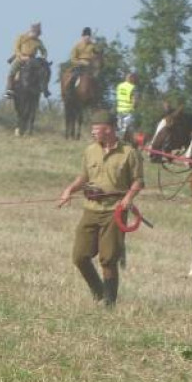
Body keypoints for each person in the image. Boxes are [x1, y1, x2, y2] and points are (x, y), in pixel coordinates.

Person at [57, 109, 144, 308]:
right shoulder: (90, 151)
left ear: (110, 129)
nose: (93, 132)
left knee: (108, 259)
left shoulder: (129, 153)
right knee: (79, 256)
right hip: (91, 209)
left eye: (97, 129)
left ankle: (109, 303)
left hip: (114, 211)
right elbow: (84, 177)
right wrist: (69, 190)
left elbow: (138, 181)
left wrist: (129, 198)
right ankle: (98, 291)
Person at [4, 22, 50, 98]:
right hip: (21, 58)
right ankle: (9, 90)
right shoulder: (21, 37)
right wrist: (21, 56)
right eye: (37, 33)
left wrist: (43, 57)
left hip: (33, 59)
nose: (37, 35)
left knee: (43, 70)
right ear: (32, 31)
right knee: (11, 71)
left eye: (38, 34)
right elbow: (16, 49)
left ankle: (44, 88)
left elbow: (44, 51)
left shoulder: (38, 41)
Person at [115, 71, 139, 141]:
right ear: (132, 78)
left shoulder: (119, 86)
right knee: (130, 131)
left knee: (120, 129)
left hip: (119, 111)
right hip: (128, 112)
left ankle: (118, 142)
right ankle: (131, 145)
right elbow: (135, 102)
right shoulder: (133, 87)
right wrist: (135, 106)